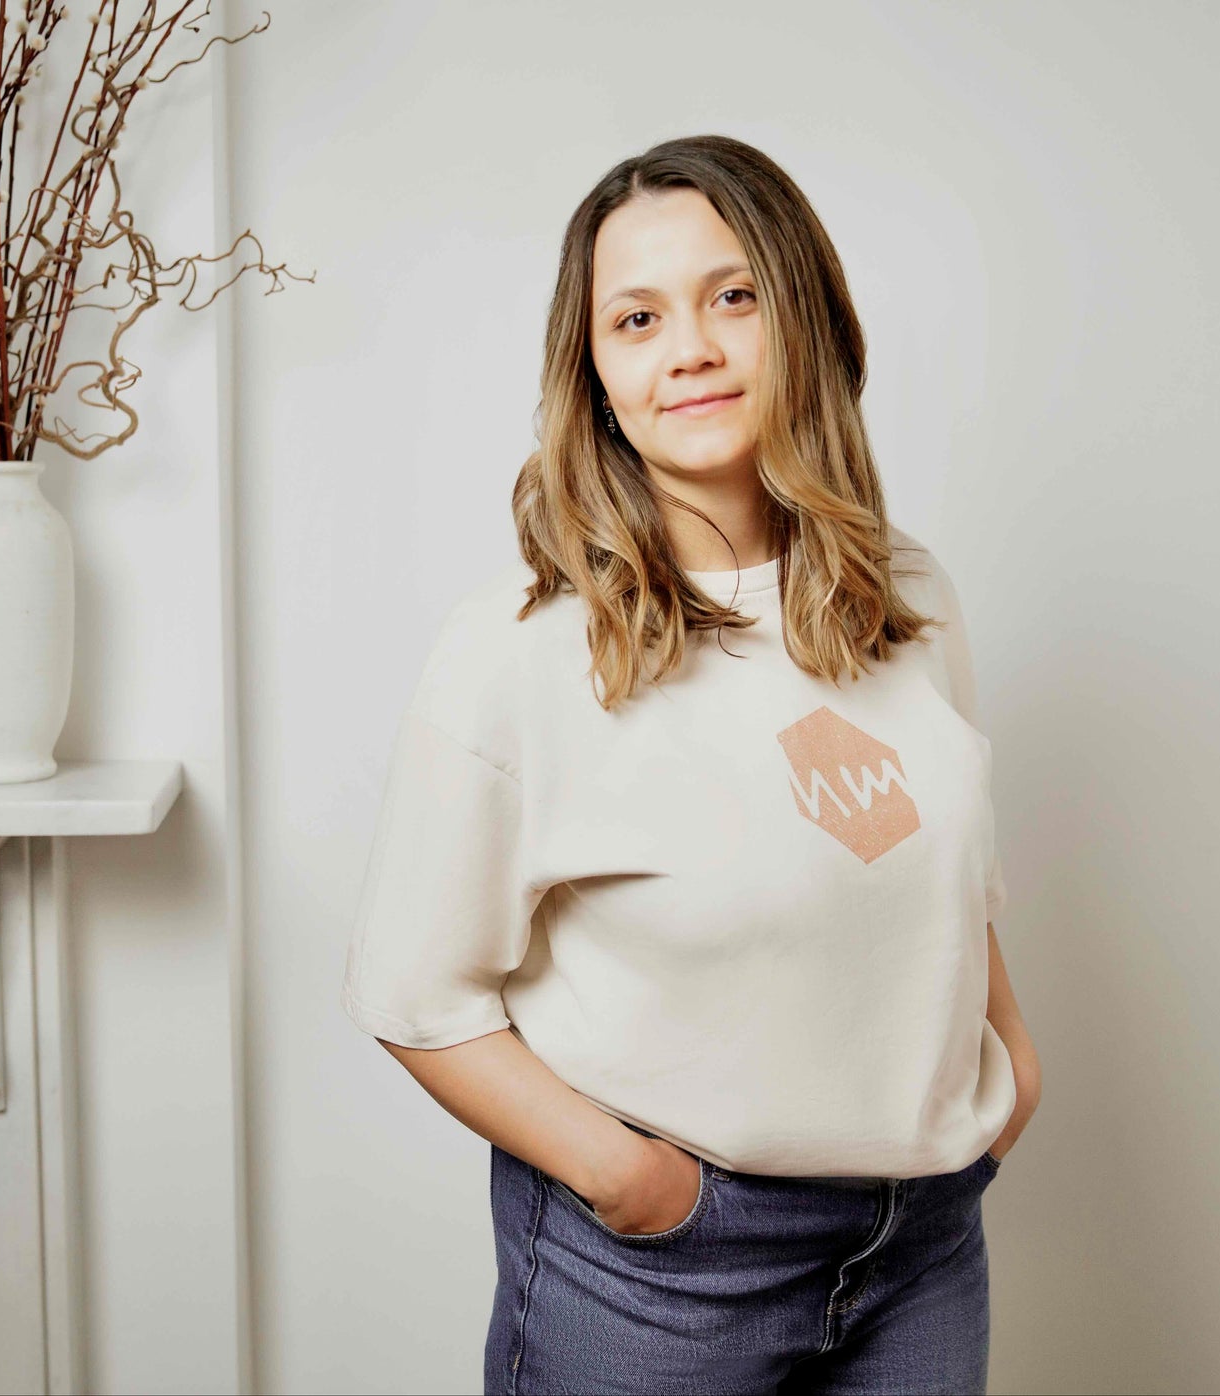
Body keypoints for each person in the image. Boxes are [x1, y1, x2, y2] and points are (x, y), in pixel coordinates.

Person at [341, 133, 1042, 1396]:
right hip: (665, 1278)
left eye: (734, 295)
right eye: (636, 317)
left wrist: (1010, 1060)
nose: (692, 349)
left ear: (807, 315)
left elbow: (943, 872)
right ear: (595, 371)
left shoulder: (912, 593)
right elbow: (413, 992)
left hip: (923, 1249)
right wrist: (640, 1184)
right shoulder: (523, 650)